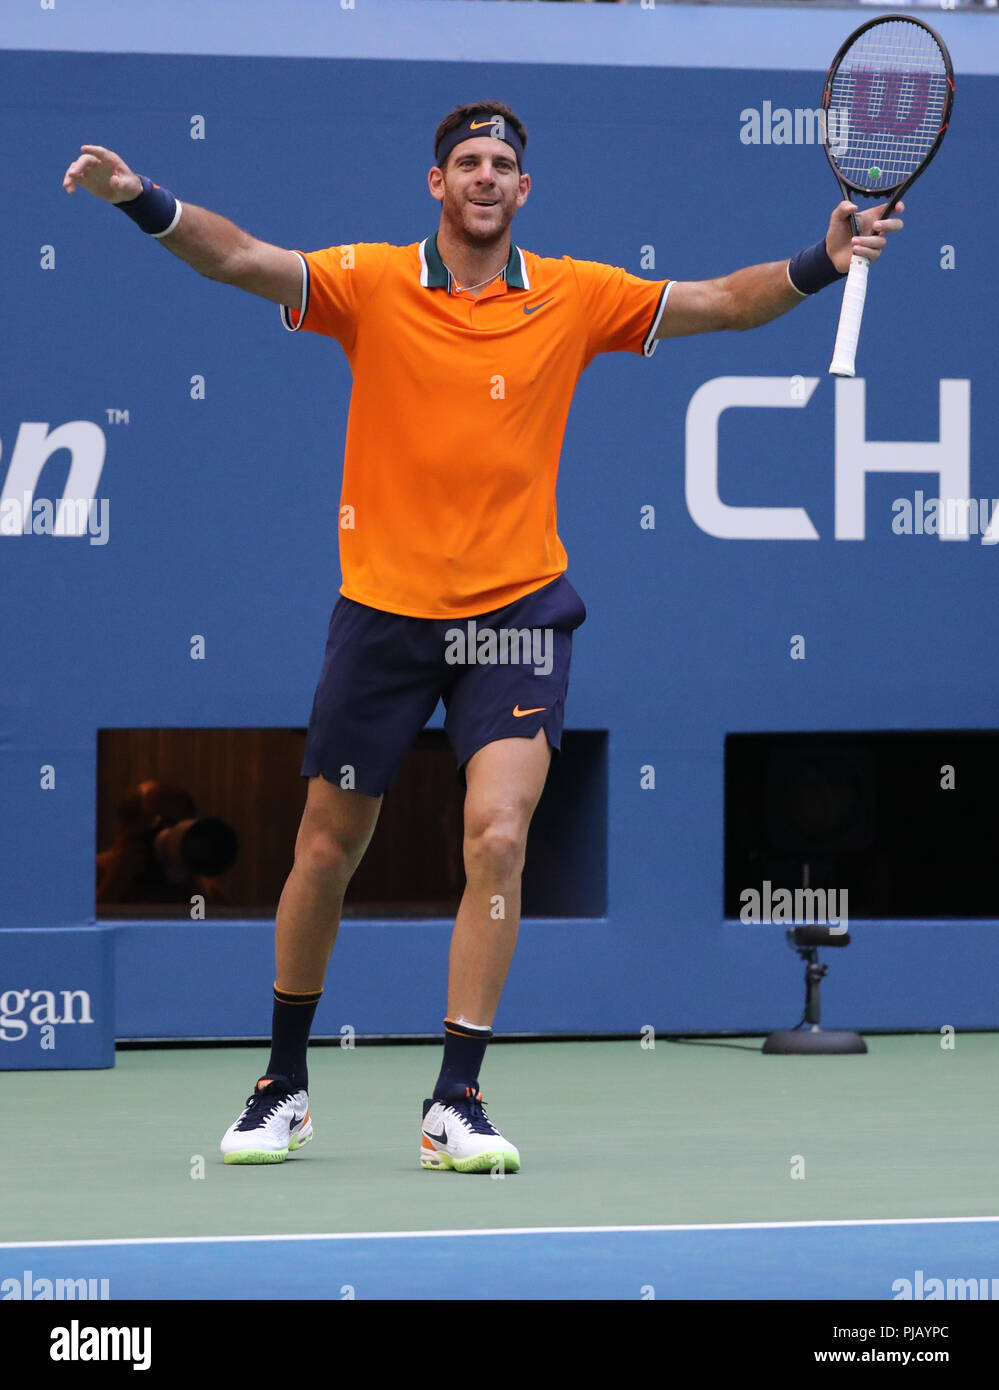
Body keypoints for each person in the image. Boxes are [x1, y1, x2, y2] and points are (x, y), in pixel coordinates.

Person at [63, 100, 902, 1173]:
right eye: (468, 160)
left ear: (525, 188)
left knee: (498, 837)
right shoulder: (370, 282)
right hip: (384, 610)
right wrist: (143, 199)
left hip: (517, 611)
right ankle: (283, 1080)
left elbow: (724, 304)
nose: (487, 175)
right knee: (328, 846)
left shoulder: (575, 294)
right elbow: (240, 258)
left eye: (505, 162)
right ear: (437, 182)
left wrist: (821, 260)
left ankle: (456, 1094)